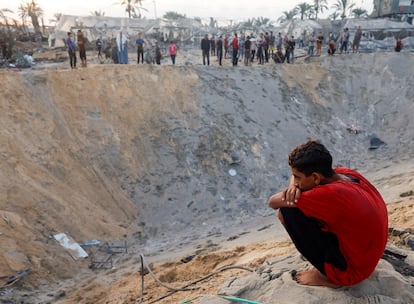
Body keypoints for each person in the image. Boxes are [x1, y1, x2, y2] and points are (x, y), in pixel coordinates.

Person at [268, 140, 388, 287]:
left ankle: (329, 277)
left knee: (287, 211)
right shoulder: (346, 174)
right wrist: (294, 185)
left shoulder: (329, 194)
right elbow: (295, 180)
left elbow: (273, 202)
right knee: (296, 204)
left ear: (316, 178)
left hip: (351, 273)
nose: (296, 181)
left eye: (298, 177)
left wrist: (293, 190)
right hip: (366, 259)